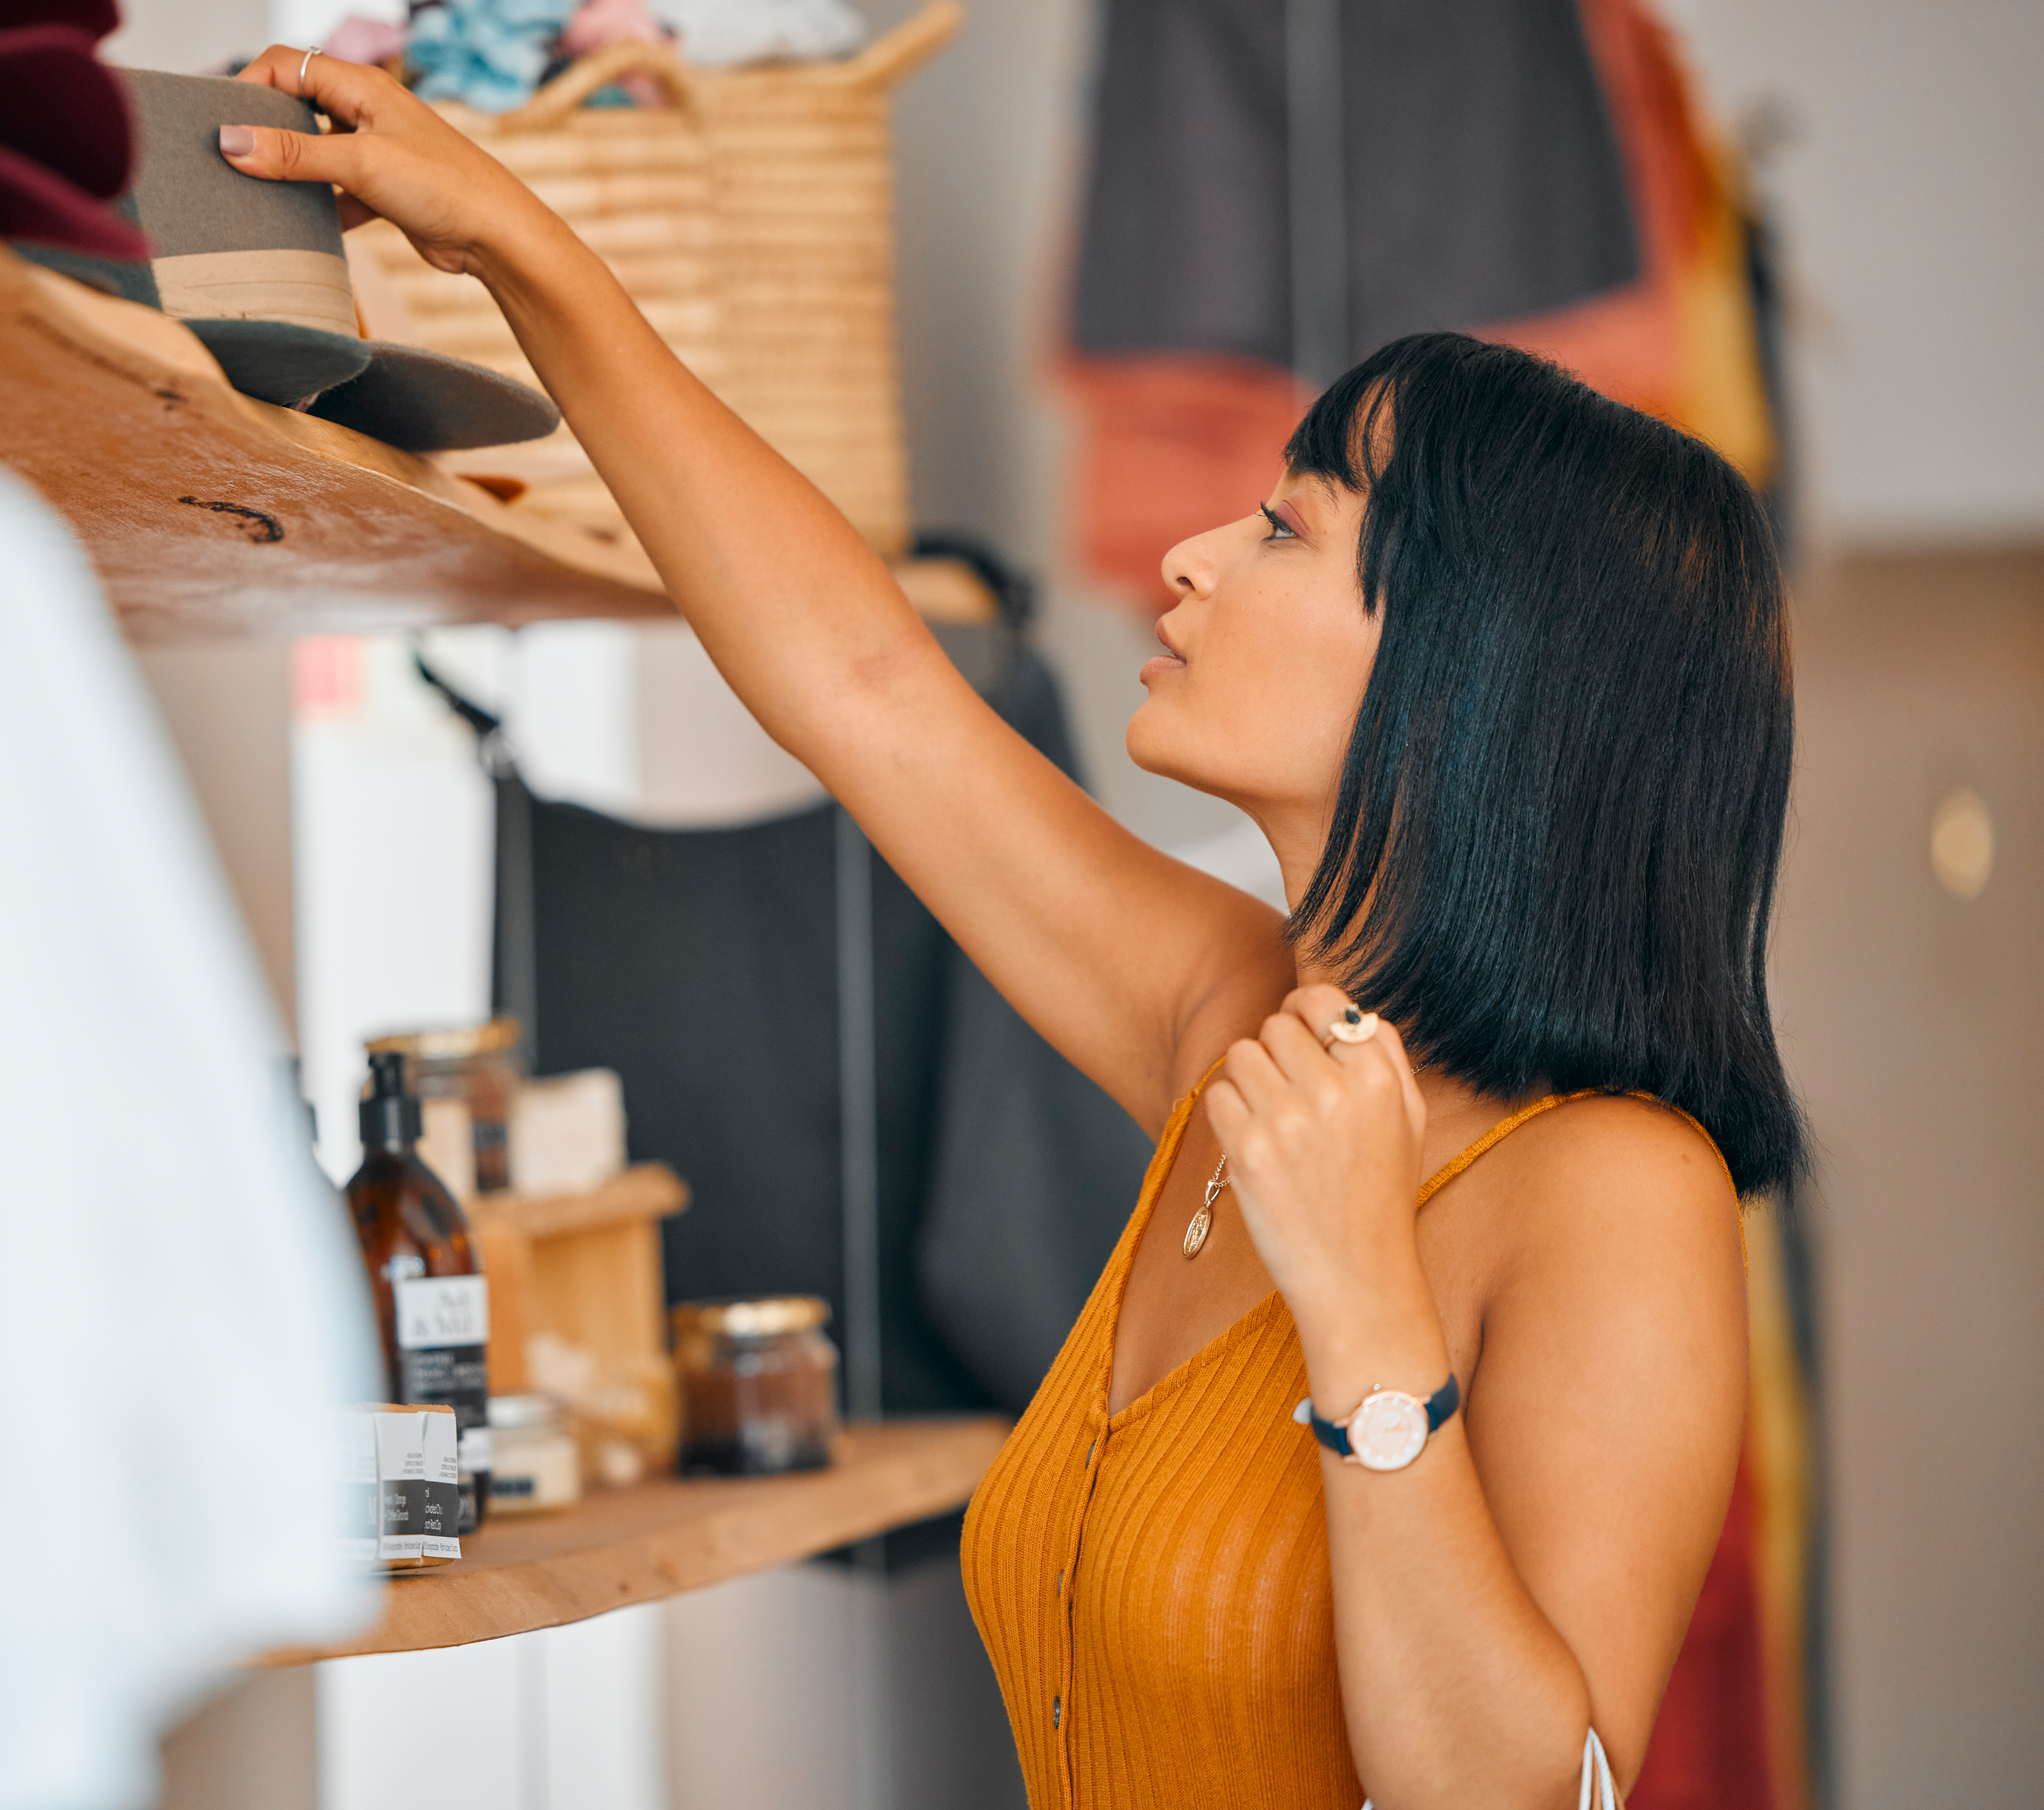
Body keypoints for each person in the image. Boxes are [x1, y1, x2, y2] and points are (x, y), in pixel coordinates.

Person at [221, 47, 1800, 1809]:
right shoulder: (1234, 1019)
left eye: (1285, 528)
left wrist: (1366, 1313)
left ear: (1466, 682)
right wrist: (517, 244)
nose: (1191, 554)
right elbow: (870, 688)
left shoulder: (1616, 1189)